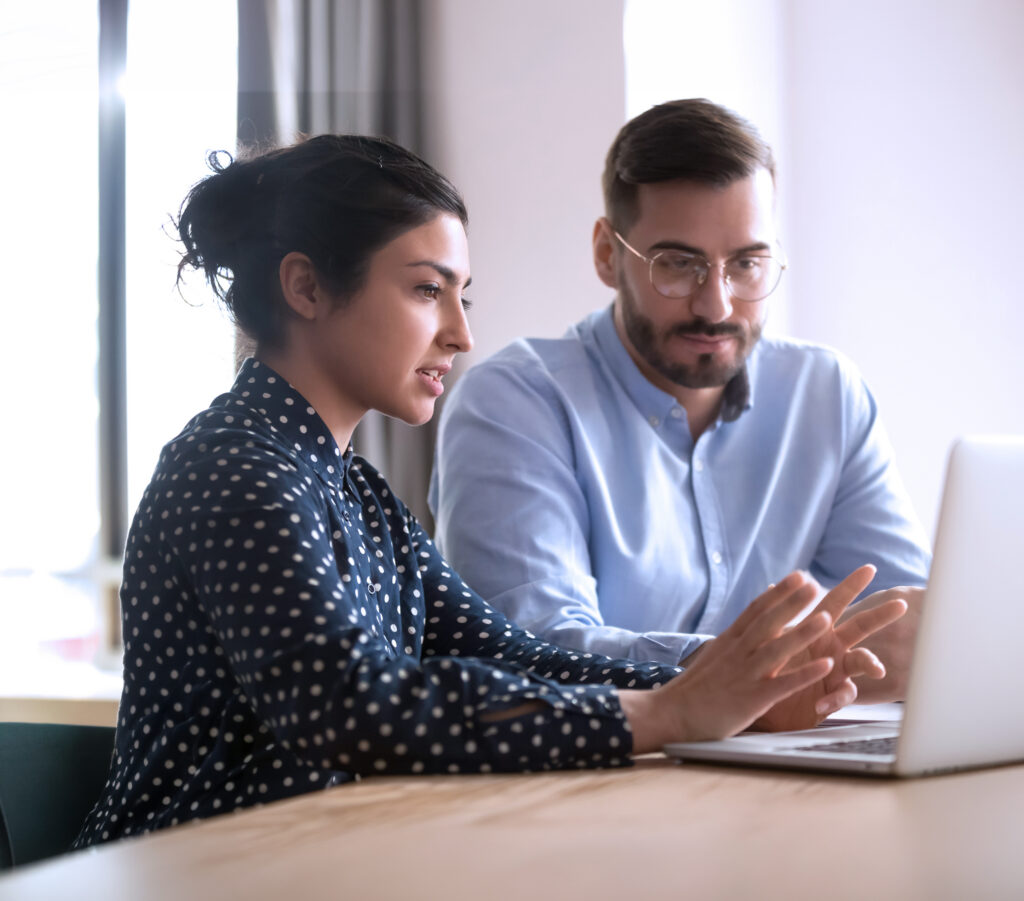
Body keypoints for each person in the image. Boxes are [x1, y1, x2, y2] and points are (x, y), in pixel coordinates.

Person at [74, 134, 904, 847]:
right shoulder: (234, 467)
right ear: (307, 287)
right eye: (427, 289)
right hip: (197, 870)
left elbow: (509, 651)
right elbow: (358, 708)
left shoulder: (356, 491)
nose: (462, 333)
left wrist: (734, 680)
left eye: (461, 296)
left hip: (318, 860)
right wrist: (672, 712)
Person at [430, 99, 929, 702]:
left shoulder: (825, 395)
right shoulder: (512, 404)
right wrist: (760, 669)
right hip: (600, 773)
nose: (715, 305)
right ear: (607, 255)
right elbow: (536, 650)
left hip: (792, 764)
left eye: (747, 264)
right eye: (678, 264)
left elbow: (908, 628)